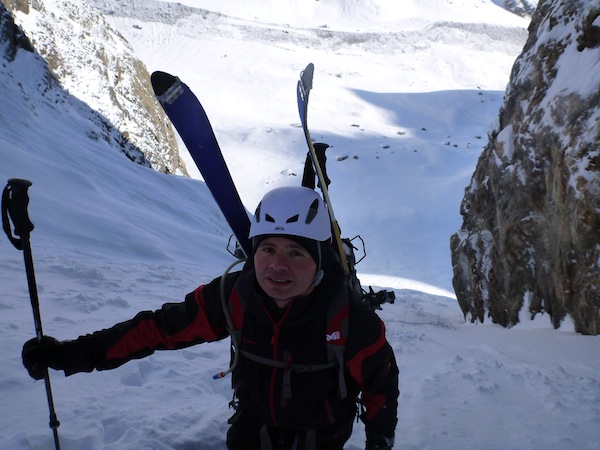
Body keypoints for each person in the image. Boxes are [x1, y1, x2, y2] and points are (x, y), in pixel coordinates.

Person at [22, 186, 399, 450]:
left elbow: (381, 388)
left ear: (319, 260)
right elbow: (157, 330)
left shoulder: (350, 319)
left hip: (322, 437)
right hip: (251, 430)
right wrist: (72, 354)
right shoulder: (234, 296)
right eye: (267, 248)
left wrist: (379, 444)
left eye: (296, 252)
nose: (277, 266)